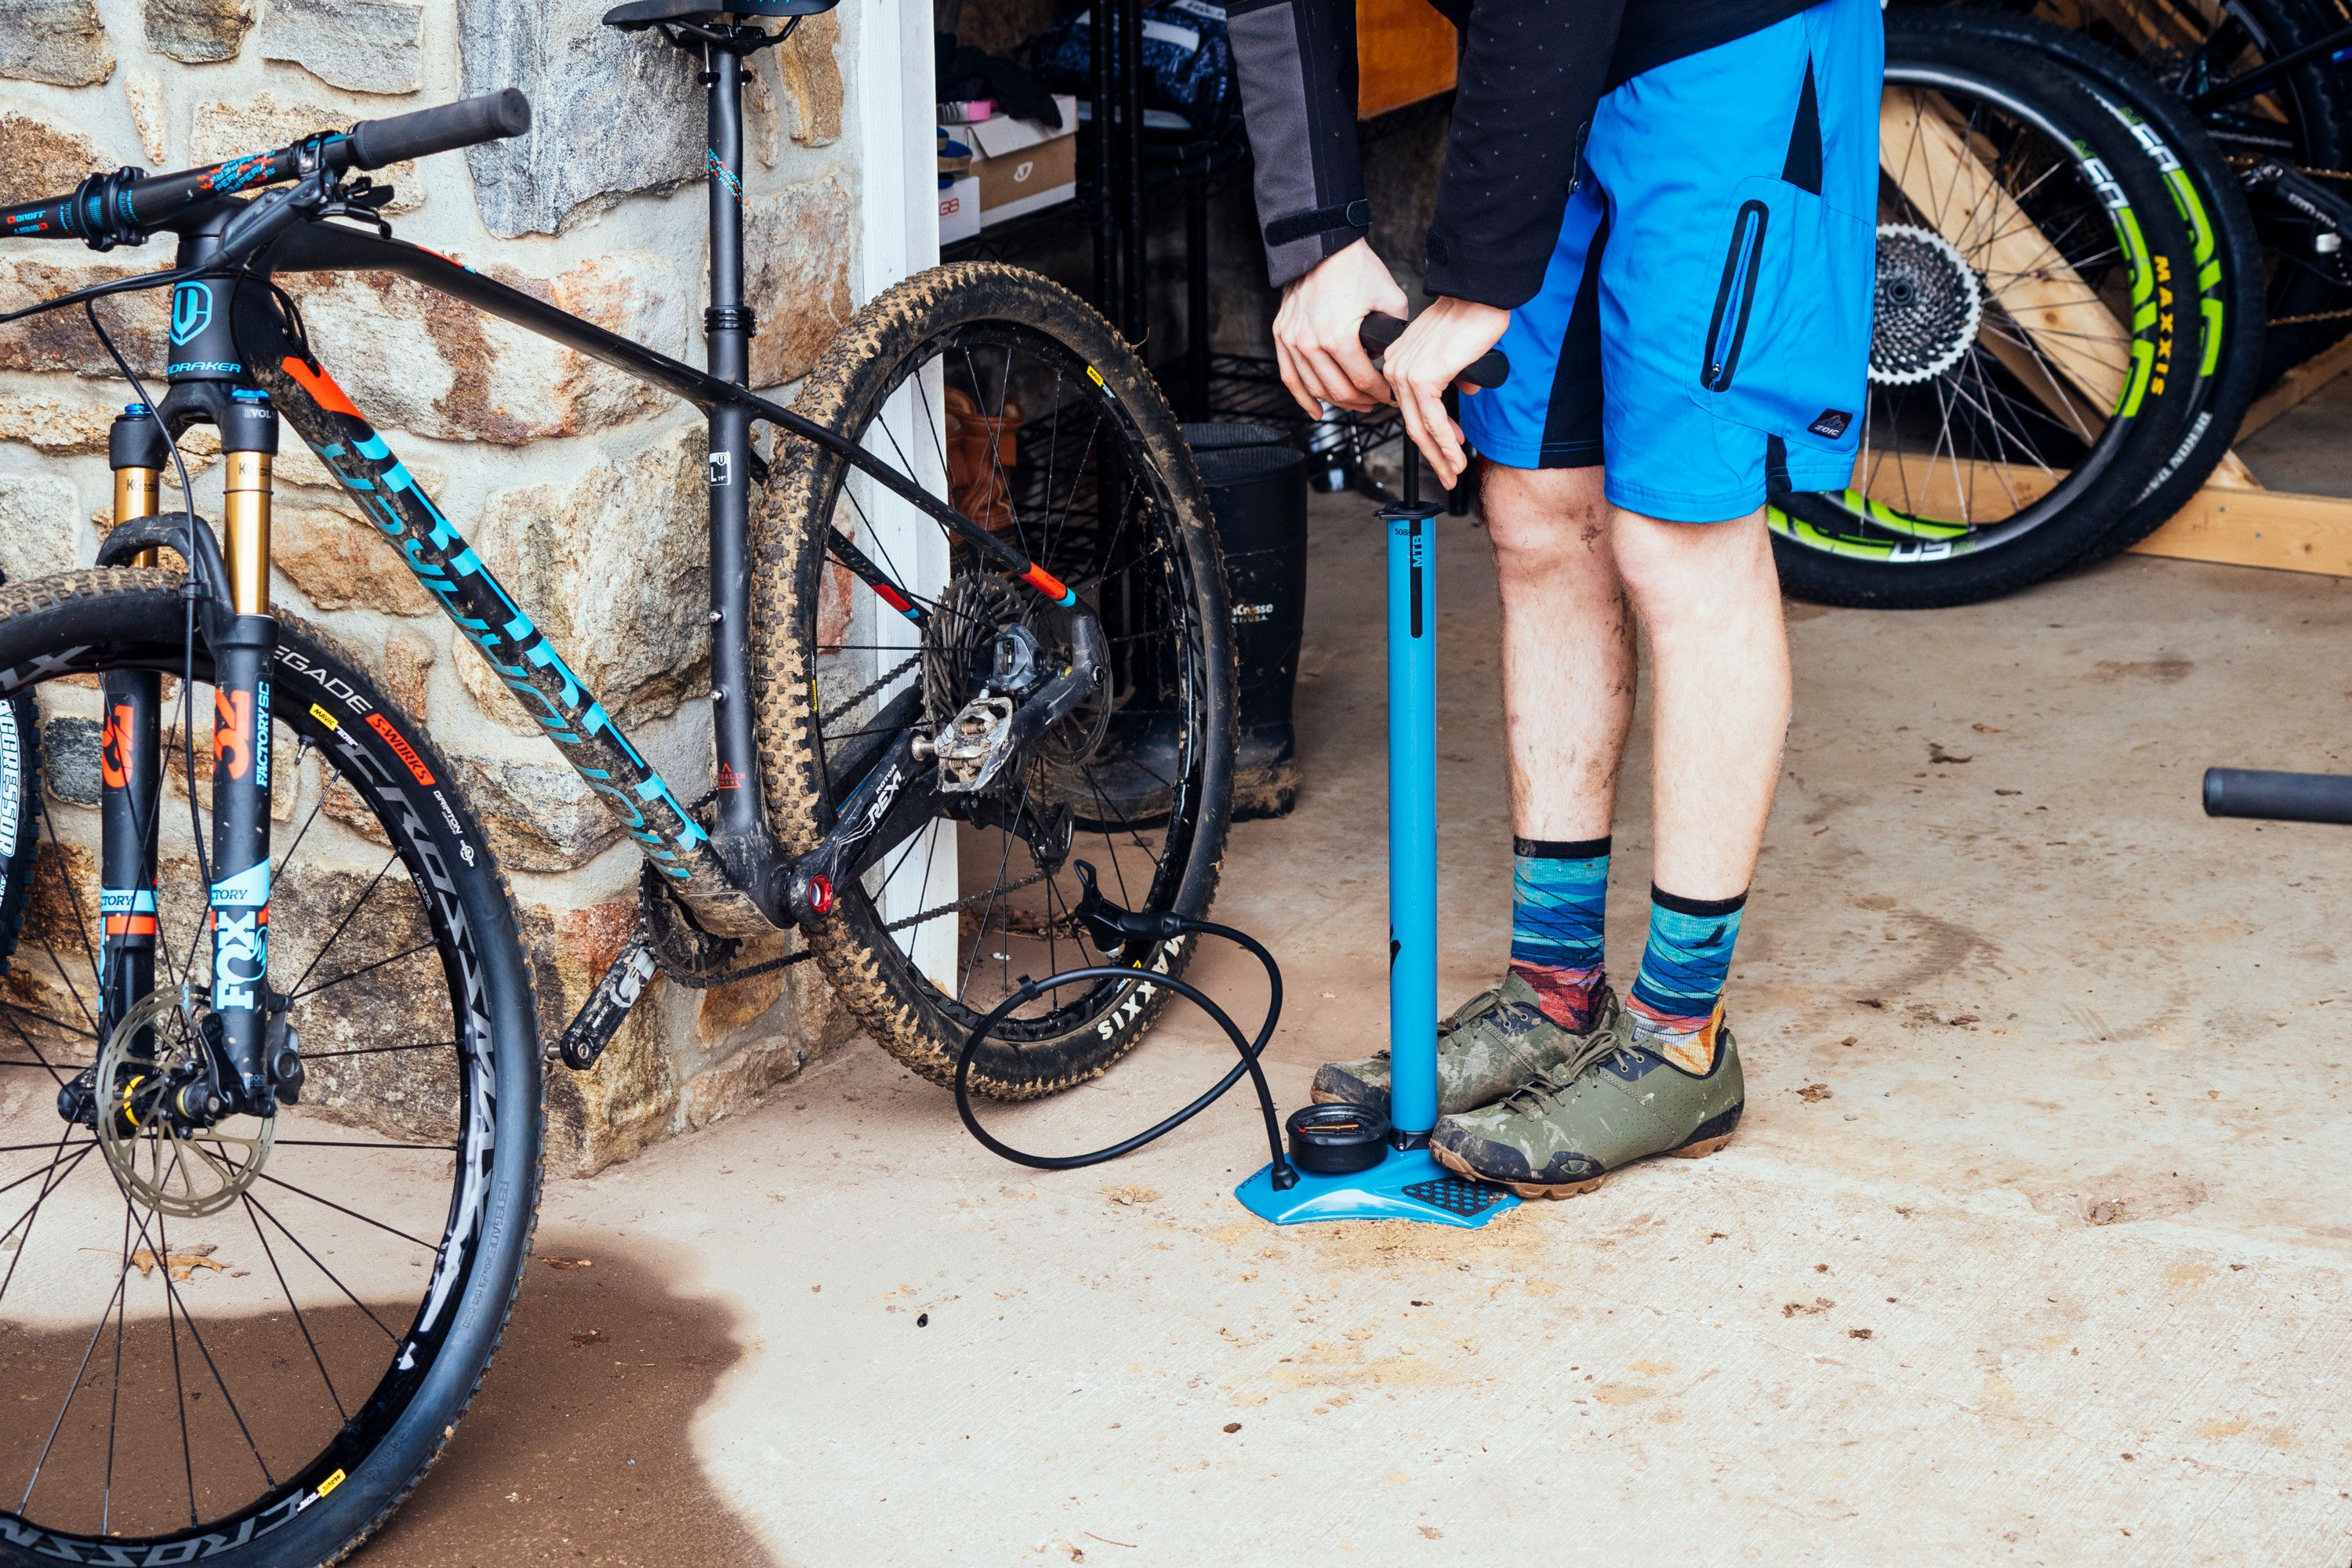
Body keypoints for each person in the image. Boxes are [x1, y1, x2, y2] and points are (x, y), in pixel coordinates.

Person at [1225, 0, 1880, 1196]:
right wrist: (1314, 235)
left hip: (1731, 39)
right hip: (1544, 58)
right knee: (1535, 510)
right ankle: (1553, 994)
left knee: (1679, 532)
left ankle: (1682, 1042)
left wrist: (1477, 279)